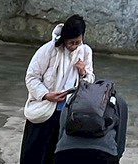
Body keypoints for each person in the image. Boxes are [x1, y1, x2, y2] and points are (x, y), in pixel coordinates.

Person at [22, 14, 96, 164]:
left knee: (58, 156)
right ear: (64, 38)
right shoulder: (48, 50)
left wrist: (83, 72)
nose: (74, 46)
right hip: (45, 111)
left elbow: (89, 82)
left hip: (67, 113)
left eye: (77, 42)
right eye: (70, 43)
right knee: (35, 155)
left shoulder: (85, 51)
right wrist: (46, 95)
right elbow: (31, 77)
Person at [54, 83, 129, 164]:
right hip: (104, 152)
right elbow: (121, 137)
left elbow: (62, 128)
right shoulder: (118, 101)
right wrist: (116, 156)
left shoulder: (74, 98)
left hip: (65, 151)